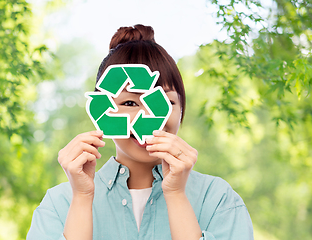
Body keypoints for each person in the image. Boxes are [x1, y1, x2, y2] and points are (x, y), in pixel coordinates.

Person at [27, 24, 254, 240]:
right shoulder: (59, 204)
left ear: (182, 108)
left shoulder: (217, 199)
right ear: (101, 110)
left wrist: (176, 195)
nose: (149, 119)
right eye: (130, 103)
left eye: (164, 102)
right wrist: (82, 198)